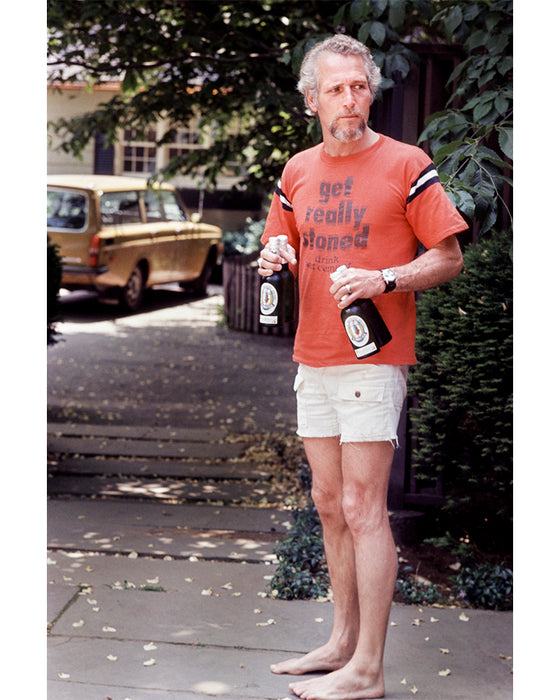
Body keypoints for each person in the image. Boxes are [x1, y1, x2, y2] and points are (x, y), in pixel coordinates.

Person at [258, 34, 466, 700]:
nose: (351, 98)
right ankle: (342, 643)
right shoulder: (297, 170)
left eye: (359, 85)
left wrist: (385, 278)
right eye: (337, 87)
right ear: (311, 97)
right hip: (311, 353)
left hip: (373, 359)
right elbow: (279, 243)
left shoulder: (406, 163)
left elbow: (448, 257)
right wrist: (275, 260)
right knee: (327, 504)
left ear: (368, 91)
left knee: (362, 506)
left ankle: (369, 671)